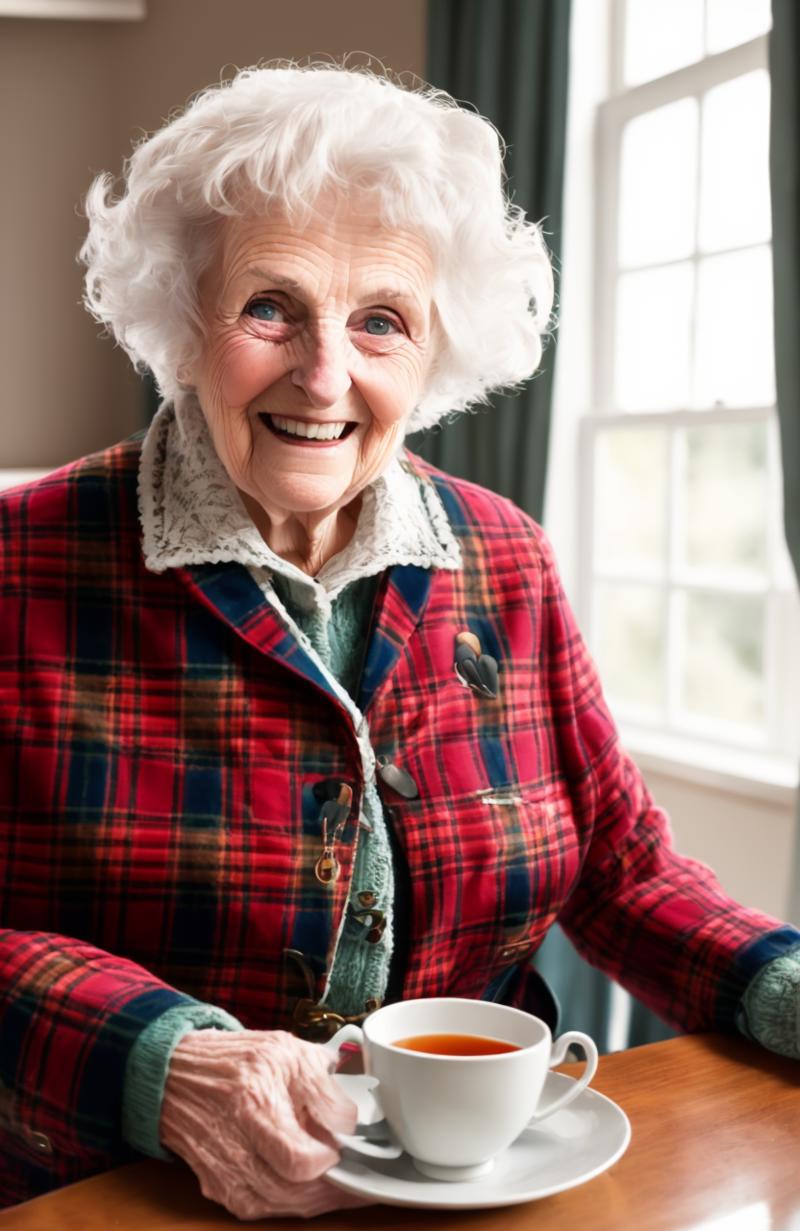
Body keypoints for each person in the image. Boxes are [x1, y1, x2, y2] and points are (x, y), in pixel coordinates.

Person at [1, 61, 798, 1221]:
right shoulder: (21, 559)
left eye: (381, 321)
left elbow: (623, 872)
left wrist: (781, 986)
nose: (325, 374)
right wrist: (155, 1060)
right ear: (181, 318)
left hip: (473, 1190)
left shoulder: (503, 558)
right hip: (114, 1196)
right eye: (269, 308)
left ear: (436, 353)